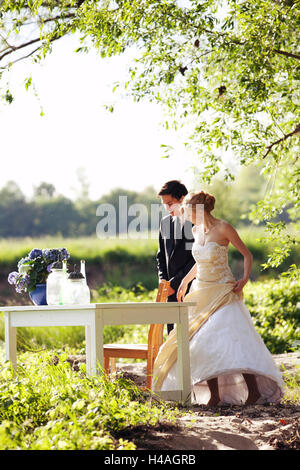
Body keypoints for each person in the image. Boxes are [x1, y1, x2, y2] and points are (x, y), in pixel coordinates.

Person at [153, 191, 284, 405]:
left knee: (234, 341)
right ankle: (214, 396)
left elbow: (247, 254)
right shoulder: (196, 230)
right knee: (203, 342)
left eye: (189, 211)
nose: (187, 216)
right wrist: (186, 281)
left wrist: (245, 279)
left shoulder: (223, 227)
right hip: (201, 292)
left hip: (223, 292)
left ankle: (254, 391)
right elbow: (200, 261)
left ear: (199, 209)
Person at [157, 180, 195, 334]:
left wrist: (176, 282)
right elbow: (160, 256)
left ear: (182, 199)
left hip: (191, 287)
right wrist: (163, 280)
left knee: (191, 334)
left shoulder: (194, 222)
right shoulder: (165, 222)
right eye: (165, 204)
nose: (167, 208)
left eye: (170, 203)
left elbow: (195, 257)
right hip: (169, 291)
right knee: (172, 337)